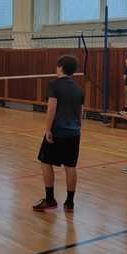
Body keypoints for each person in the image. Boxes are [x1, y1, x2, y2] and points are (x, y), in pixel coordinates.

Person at [33, 55, 83, 213]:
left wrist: (48, 129)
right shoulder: (78, 88)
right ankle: (70, 203)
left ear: (60, 67)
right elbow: (80, 112)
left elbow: (51, 108)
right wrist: (77, 127)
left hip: (58, 132)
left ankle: (50, 200)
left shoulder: (54, 85)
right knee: (70, 166)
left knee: (45, 161)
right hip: (74, 132)